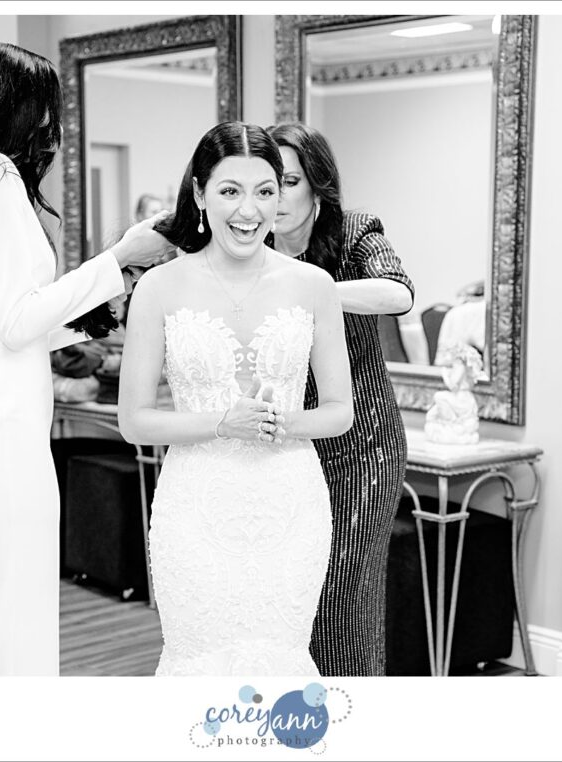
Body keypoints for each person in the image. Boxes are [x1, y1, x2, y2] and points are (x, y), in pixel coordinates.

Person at [0, 42, 173, 676]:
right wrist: (117, 256)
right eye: (45, 109)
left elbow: (5, 323)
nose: (51, 127)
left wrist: (110, 295)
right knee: (12, 640)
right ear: (14, 107)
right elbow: (19, 322)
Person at [118, 121, 354, 675]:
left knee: (280, 663)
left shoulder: (314, 285)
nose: (249, 210)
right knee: (200, 663)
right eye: (230, 191)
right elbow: (133, 420)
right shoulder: (159, 287)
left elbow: (340, 411)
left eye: (265, 191)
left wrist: (284, 423)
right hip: (196, 507)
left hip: (289, 506)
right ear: (199, 193)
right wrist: (222, 423)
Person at [267, 122, 415, 677]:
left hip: (362, 448)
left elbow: (398, 293)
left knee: (345, 594)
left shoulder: (355, 232)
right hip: (288, 444)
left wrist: (312, 289)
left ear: (317, 186)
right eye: (267, 184)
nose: (275, 198)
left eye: (288, 182)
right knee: (291, 592)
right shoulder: (253, 248)